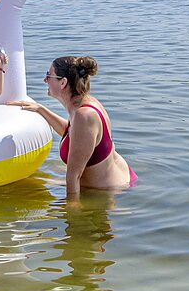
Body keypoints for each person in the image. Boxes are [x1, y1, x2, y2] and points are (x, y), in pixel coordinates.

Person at [8, 56, 134, 198]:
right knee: (29, 182)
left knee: (24, 189)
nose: (45, 80)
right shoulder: (83, 104)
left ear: (63, 82)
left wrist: (71, 213)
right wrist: (40, 109)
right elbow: (75, 137)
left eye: (48, 75)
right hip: (117, 180)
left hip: (107, 193)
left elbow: (73, 176)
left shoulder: (84, 115)